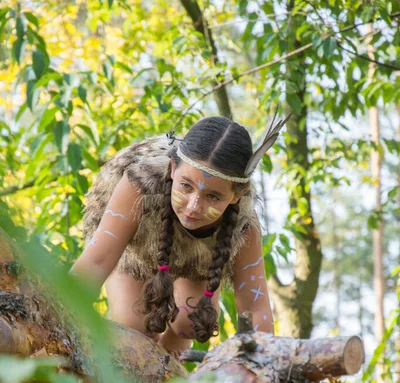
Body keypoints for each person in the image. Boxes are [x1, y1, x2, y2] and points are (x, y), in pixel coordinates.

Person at [71, 115, 288, 356]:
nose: (194, 206)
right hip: (137, 250)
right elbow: (96, 261)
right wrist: (57, 316)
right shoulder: (139, 184)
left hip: (194, 261)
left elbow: (255, 309)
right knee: (136, 327)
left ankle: (173, 363)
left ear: (237, 195)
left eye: (213, 197)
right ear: (173, 169)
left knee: (190, 323)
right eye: (186, 186)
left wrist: (264, 368)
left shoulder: (244, 225)